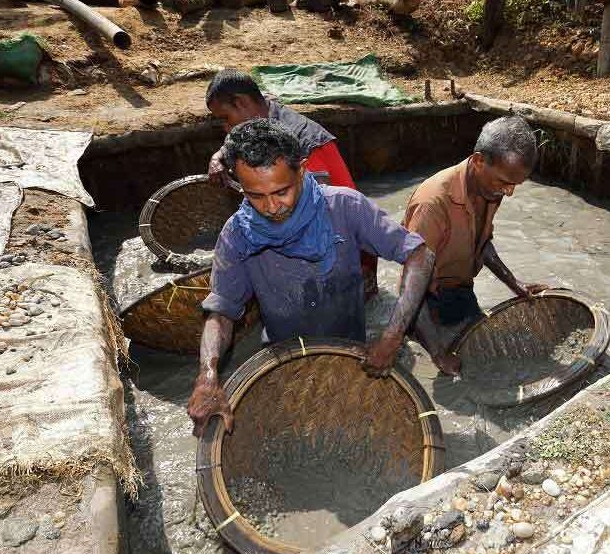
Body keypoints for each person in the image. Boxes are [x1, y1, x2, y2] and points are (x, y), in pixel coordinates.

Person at [187, 119, 434, 437]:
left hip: (351, 352)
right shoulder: (237, 235)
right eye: (255, 196)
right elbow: (221, 312)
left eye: (282, 191)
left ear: (301, 170)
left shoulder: (344, 207)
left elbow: (420, 256)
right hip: (284, 355)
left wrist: (392, 335)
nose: (272, 207)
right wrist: (207, 376)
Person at [205, 69, 379, 299]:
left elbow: (323, 217)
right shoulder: (260, 123)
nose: (226, 128)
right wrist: (218, 156)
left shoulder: (305, 143)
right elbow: (235, 142)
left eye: (225, 119)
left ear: (241, 102)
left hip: (345, 253)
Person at [402, 116, 549, 377]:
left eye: (515, 185)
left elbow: (482, 243)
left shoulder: (490, 188)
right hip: (428, 303)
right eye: (505, 182)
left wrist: (514, 283)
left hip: (461, 289)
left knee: (484, 356)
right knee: (441, 374)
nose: (509, 192)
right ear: (479, 161)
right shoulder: (432, 204)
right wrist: (437, 353)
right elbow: (411, 287)